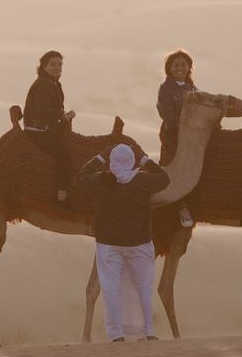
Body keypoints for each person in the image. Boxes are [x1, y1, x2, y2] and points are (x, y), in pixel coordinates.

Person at [81, 144, 168, 340]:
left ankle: (115, 334)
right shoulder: (143, 180)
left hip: (109, 244)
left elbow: (80, 178)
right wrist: (145, 160)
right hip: (140, 244)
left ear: (112, 161)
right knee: (144, 288)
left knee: (110, 288)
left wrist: (99, 159)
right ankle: (149, 331)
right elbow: (165, 178)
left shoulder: (103, 180)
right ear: (131, 161)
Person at [155, 50, 241, 229]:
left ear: (189, 68)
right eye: (176, 64)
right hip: (175, 136)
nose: (180, 68)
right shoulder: (166, 89)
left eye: (183, 65)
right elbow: (167, 115)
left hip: (196, 135)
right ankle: (182, 207)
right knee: (178, 169)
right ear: (169, 68)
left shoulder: (194, 90)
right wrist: (183, 128)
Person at [23, 50, 76, 202]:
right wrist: (62, 116)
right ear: (44, 66)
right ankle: (62, 197)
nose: (57, 67)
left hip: (48, 129)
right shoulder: (43, 85)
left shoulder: (53, 84)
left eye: (60, 64)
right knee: (64, 157)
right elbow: (42, 111)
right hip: (38, 132)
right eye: (53, 64)